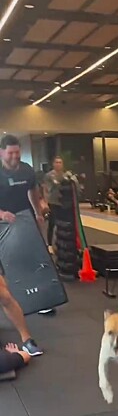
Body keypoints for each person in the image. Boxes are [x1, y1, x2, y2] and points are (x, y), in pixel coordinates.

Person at [0, 134, 44, 356]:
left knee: (7, 292)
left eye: (17, 152)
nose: (15, 156)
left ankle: (27, 339)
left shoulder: (26, 170)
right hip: (0, 223)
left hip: (20, 221)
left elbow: (33, 191)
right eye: (10, 153)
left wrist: (38, 212)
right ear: (1, 153)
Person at [43, 156, 80, 253]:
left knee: (63, 225)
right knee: (52, 223)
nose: (58, 164)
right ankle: (50, 244)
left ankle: (61, 244)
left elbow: (74, 186)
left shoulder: (66, 175)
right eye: (56, 162)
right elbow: (48, 189)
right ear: (53, 164)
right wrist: (46, 203)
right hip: (53, 202)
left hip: (64, 203)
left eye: (60, 162)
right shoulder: (49, 176)